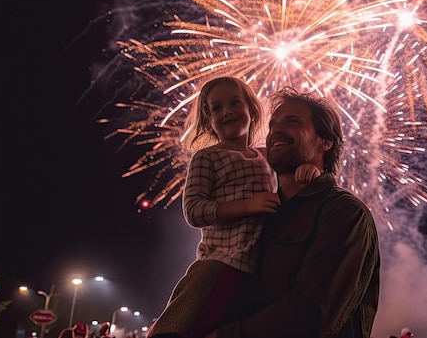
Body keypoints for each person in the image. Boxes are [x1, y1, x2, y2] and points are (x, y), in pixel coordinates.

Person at [147, 78, 320, 338]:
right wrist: (248, 205)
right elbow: (194, 210)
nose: (226, 111)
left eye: (234, 103)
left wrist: (309, 169)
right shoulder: (207, 157)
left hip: (257, 269)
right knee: (181, 327)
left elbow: (291, 179)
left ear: (252, 109)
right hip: (221, 262)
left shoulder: (266, 155)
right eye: (216, 108)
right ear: (208, 121)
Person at [201, 87, 380, 337]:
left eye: (292, 122)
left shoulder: (345, 213)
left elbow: (311, 313)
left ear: (324, 142)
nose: (275, 131)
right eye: (273, 125)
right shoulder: (262, 215)